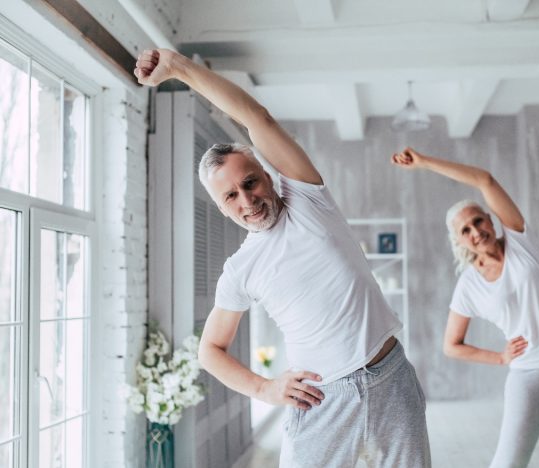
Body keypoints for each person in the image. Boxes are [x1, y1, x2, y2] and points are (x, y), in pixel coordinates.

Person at [135, 50, 430, 468]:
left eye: (250, 182)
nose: (247, 199)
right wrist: (265, 389)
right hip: (320, 399)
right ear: (222, 208)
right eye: (231, 196)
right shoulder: (240, 270)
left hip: (391, 379)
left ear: (268, 176)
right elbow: (210, 350)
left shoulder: (308, 200)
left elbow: (258, 118)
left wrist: (179, 68)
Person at [391, 147, 539, 468]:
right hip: (532, 371)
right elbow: (451, 346)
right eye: (465, 230)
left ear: (491, 220)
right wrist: (499, 357)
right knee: (509, 462)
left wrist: (425, 162)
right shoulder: (469, 286)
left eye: (478, 220)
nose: (476, 231)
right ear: (459, 241)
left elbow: (485, 179)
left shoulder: (519, 239)